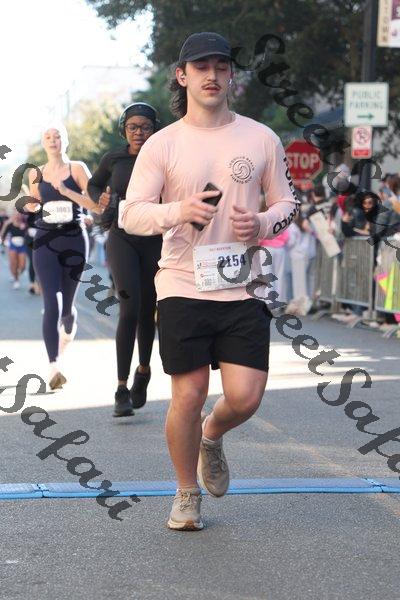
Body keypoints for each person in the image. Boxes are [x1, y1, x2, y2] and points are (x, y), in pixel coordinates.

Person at [122, 32, 300, 531]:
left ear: (231, 75)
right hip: (182, 281)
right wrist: (179, 210)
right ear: (182, 76)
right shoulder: (163, 143)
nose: (212, 76)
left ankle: (212, 435)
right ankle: (186, 493)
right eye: (201, 67)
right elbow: (130, 214)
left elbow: (288, 203)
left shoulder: (261, 137)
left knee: (245, 397)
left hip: (245, 282)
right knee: (190, 391)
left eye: (221, 66)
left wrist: (261, 222)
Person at [87, 103, 162, 418]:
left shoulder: (162, 156)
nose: (139, 132)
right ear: (124, 129)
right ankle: (121, 388)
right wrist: (100, 198)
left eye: (145, 126)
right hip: (121, 237)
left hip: (155, 238)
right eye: (133, 127)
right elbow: (94, 184)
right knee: (129, 308)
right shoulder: (113, 158)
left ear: (154, 129)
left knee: (147, 310)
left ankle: (142, 371)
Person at [25, 123, 103, 390]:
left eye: (57, 136)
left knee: (67, 308)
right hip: (45, 240)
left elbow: (95, 205)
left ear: (65, 140)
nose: (52, 140)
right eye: (47, 136)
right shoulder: (35, 173)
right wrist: (31, 205)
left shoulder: (77, 169)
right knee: (52, 301)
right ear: (43, 143)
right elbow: (34, 203)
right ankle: (53, 366)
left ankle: (67, 330)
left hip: (74, 240)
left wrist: (67, 192)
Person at [0, 210, 27, 289]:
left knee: (22, 266)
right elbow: (3, 235)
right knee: (14, 263)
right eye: (16, 214)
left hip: (22, 245)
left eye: (19, 214)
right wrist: (5, 225)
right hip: (13, 245)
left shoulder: (25, 224)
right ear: (13, 215)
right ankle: (16, 279)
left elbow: (29, 234)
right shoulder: (10, 224)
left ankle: (17, 274)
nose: (17, 216)